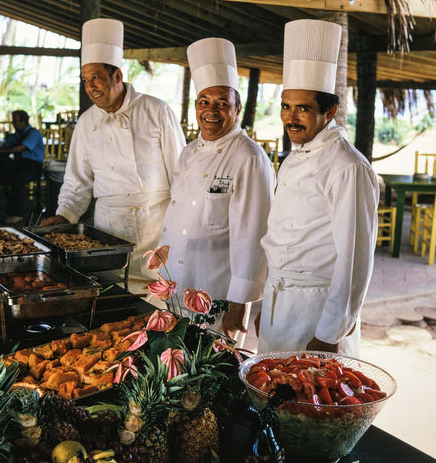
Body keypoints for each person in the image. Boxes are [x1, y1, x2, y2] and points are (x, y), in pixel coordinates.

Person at [257, 19, 379, 357]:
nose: (290, 118)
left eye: (303, 108)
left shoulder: (347, 167)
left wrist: (329, 332)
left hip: (317, 310)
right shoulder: (296, 156)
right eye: (286, 106)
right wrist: (267, 308)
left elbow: (355, 259)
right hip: (279, 305)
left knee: (312, 406)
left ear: (330, 111)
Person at [41, 18, 185, 284]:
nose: (90, 87)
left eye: (96, 77)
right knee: (116, 293)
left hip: (157, 223)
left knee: (162, 294)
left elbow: (181, 175)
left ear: (117, 75)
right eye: (85, 80)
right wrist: (64, 216)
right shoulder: (86, 122)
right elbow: (77, 181)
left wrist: (180, 230)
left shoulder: (157, 111)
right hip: (110, 227)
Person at [161, 37, 274, 344]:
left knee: (209, 375)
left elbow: (253, 239)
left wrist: (239, 308)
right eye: (204, 101)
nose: (211, 110)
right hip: (177, 285)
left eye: (222, 103)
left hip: (217, 291)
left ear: (237, 109)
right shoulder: (188, 151)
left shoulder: (249, 157)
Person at [0, 110, 44, 224]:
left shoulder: (34, 133)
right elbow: (5, 147)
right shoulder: (16, 135)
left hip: (33, 166)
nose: (13, 123)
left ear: (23, 122)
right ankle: (4, 187)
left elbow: (21, 147)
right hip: (20, 163)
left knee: (17, 177)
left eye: (15, 121)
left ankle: (17, 214)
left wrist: (0, 151)